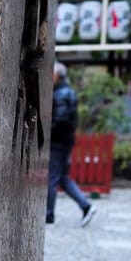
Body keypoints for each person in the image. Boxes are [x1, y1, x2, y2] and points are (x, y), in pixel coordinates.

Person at [47, 62, 97, 227]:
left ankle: (48, 216)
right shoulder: (66, 92)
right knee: (62, 178)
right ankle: (86, 206)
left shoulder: (61, 94)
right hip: (64, 141)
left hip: (58, 143)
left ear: (57, 76)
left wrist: (47, 134)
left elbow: (60, 120)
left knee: (53, 179)